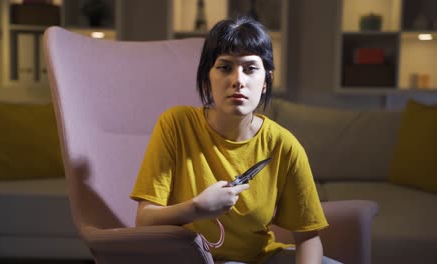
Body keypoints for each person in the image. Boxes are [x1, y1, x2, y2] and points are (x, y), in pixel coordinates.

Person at [130, 16, 340, 264]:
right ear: (208, 77)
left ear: (266, 80)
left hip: (261, 258)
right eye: (225, 67)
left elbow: (308, 237)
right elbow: (144, 220)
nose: (238, 80)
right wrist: (197, 208)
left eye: (250, 68)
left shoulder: (284, 145)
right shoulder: (176, 124)